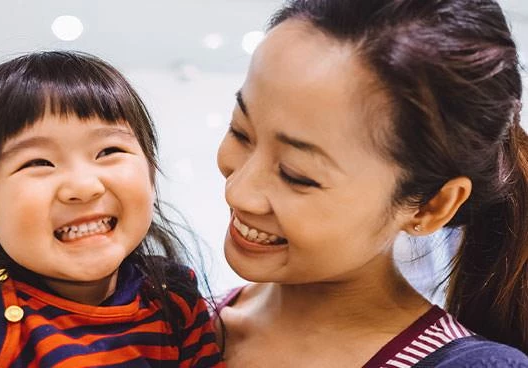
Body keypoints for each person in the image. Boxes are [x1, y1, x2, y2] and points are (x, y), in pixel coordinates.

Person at [215, 0, 528, 366]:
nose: (238, 192)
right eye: (241, 132)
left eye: (297, 175)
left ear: (431, 206)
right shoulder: (172, 324)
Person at [0, 51, 223, 367]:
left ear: (151, 176)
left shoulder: (173, 296)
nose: (84, 187)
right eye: (38, 163)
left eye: (108, 150)